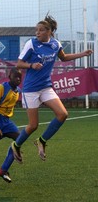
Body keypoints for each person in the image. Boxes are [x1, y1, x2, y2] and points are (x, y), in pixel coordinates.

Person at [11, 14, 93, 163]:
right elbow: (18, 64)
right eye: (37, 30)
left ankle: (42, 141)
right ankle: (16, 145)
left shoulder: (55, 44)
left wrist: (83, 54)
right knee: (33, 125)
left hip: (46, 87)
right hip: (30, 89)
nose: (37, 32)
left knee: (62, 114)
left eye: (41, 30)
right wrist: (31, 65)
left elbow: (64, 57)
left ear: (49, 32)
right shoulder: (31, 44)